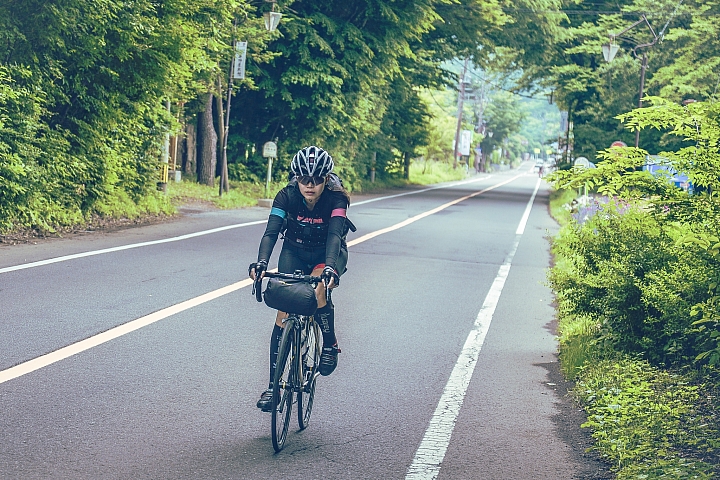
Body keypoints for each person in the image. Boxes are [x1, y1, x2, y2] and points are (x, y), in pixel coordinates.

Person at [249, 145, 352, 412]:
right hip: (294, 250)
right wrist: (261, 263)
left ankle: (329, 344)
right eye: (304, 179)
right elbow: (271, 233)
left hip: (326, 252)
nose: (310, 185)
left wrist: (330, 268)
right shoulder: (286, 196)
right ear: (297, 178)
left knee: (319, 290)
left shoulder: (336, 199)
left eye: (317, 179)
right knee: (283, 309)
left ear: (326, 179)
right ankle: (274, 387)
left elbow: (333, 235)